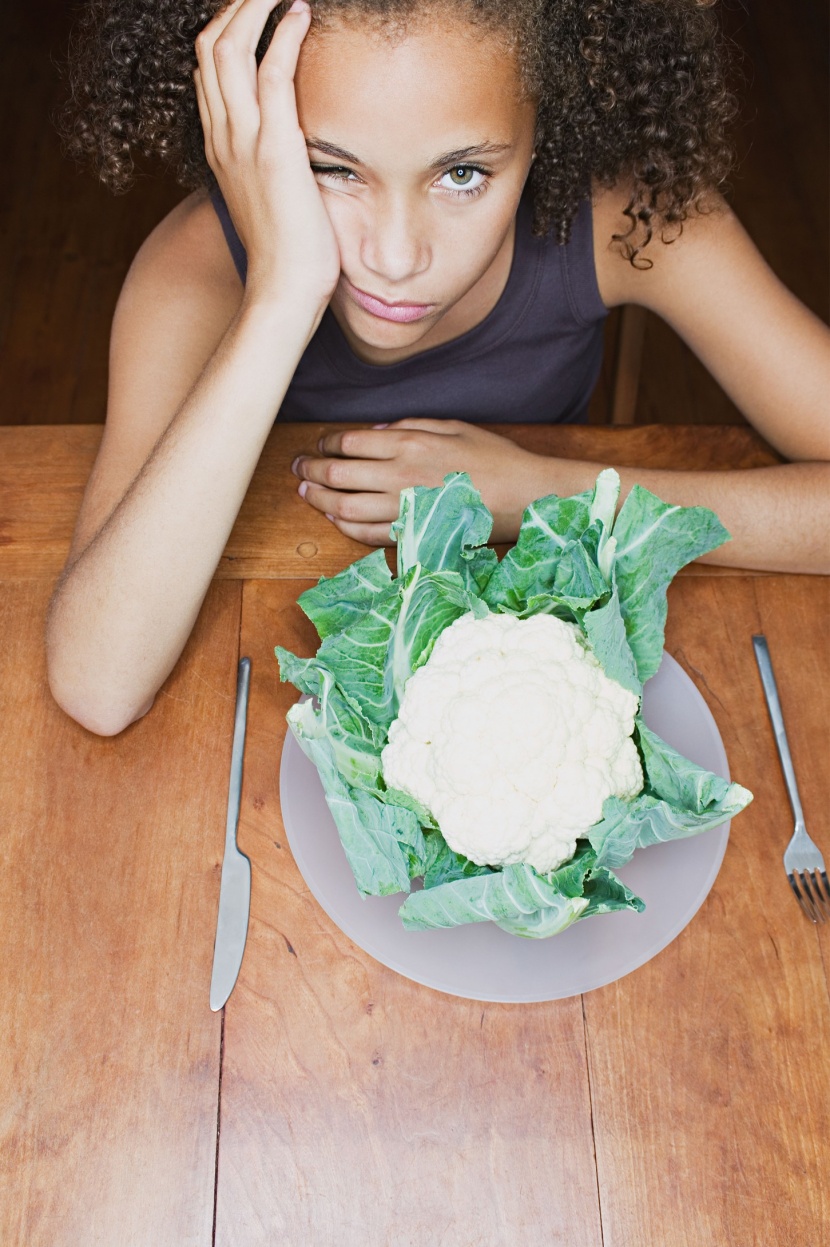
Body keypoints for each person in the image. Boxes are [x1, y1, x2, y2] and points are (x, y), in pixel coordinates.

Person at [47, 0, 829, 736]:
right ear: (247, 126)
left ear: (550, 120)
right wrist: (280, 295)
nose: (394, 257)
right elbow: (98, 683)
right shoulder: (194, 274)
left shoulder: (624, 219)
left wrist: (544, 495)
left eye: (462, 175)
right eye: (331, 168)